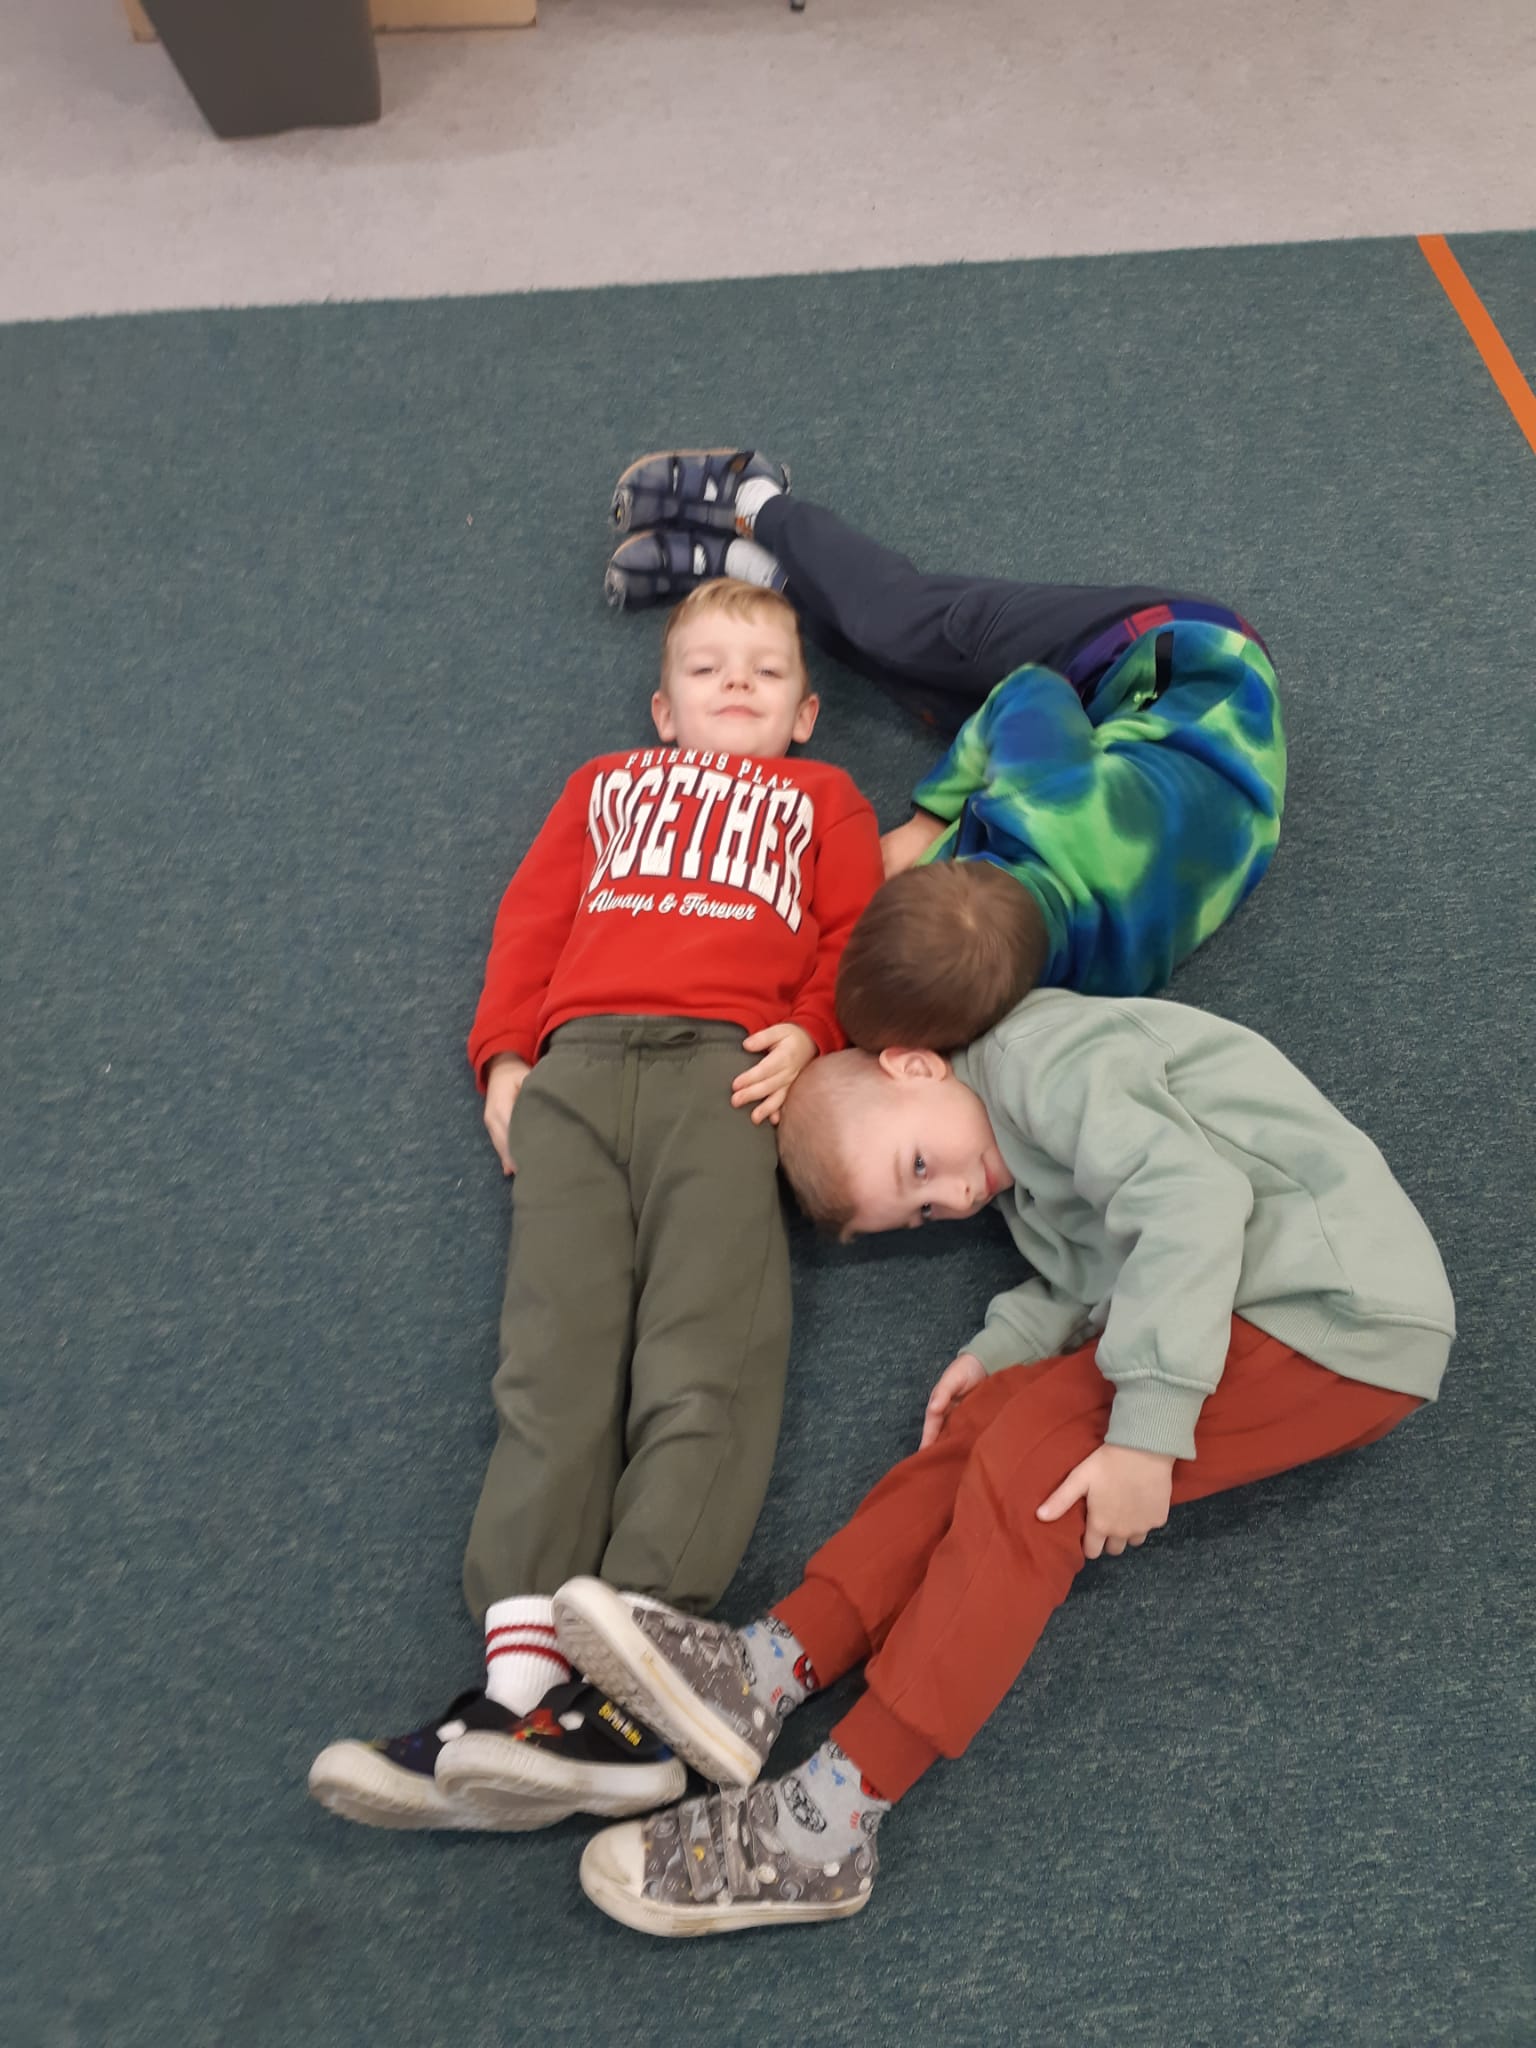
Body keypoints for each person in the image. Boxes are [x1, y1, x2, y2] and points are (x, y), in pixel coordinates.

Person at [547, 987, 1454, 1935]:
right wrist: (1002, 1348)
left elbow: (1192, 1204)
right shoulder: (1016, 1144)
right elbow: (1093, 1269)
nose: (954, 1198)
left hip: (1331, 1308)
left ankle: (831, 1823)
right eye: (924, 1211)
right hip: (1245, 1292)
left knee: (1036, 1473)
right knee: (992, 1423)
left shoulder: (1039, 1061)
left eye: (920, 1167)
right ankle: (770, 1665)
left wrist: (1146, 1436)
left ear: (915, 1066)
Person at [308, 578, 885, 1834]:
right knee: (550, 1357)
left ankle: (632, 1694)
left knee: (703, 1345)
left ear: (806, 713)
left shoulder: (824, 799)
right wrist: (505, 1053)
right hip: (575, 1070)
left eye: (767, 671)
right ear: (662, 708)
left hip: (727, 1073)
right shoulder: (603, 784)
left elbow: (857, 929)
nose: (737, 683)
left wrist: (812, 1028)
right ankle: (516, 1695)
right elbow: (533, 918)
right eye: (707, 667)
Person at [605, 449, 1286, 1047]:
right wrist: (928, 823)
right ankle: (757, 501)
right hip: (1179, 651)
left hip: (1163, 767)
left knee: (923, 690)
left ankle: (766, 576)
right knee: (901, 629)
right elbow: (1033, 689)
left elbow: (969, 923)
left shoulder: (1088, 978)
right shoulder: (1045, 802)